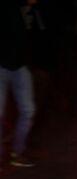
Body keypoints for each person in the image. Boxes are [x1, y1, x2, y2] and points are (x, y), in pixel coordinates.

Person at [0, 0, 38, 168]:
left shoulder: (19, 7)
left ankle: (17, 150)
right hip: (3, 64)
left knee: (28, 110)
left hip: (19, 64)